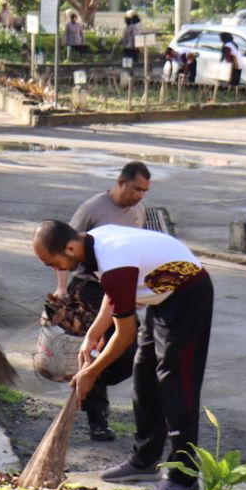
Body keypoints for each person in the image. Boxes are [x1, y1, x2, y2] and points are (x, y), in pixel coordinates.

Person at [32, 220, 213, 490]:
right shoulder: (92, 245)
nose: (56, 270)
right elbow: (113, 295)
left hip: (189, 296)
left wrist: (92, 371)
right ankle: (144, 461)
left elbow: (125, 333)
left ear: (69, 247)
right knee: (144, 375)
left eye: (53, 263)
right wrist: (91, 335)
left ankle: (183, 477)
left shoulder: (112, 256)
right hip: (162, 298)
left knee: (176, 383)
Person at [55, 162, 152, 441]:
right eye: (136, 189)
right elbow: (64, 249)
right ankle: (97, 417)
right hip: (90, 287)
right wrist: (61, 290)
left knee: (128, 350)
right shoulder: (93, 208)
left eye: (144, 191)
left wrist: (140, 291)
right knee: (96, 346)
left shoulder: (138, 212)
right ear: (120, 182)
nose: (139, 196)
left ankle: (91, 379)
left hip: (121, 287)